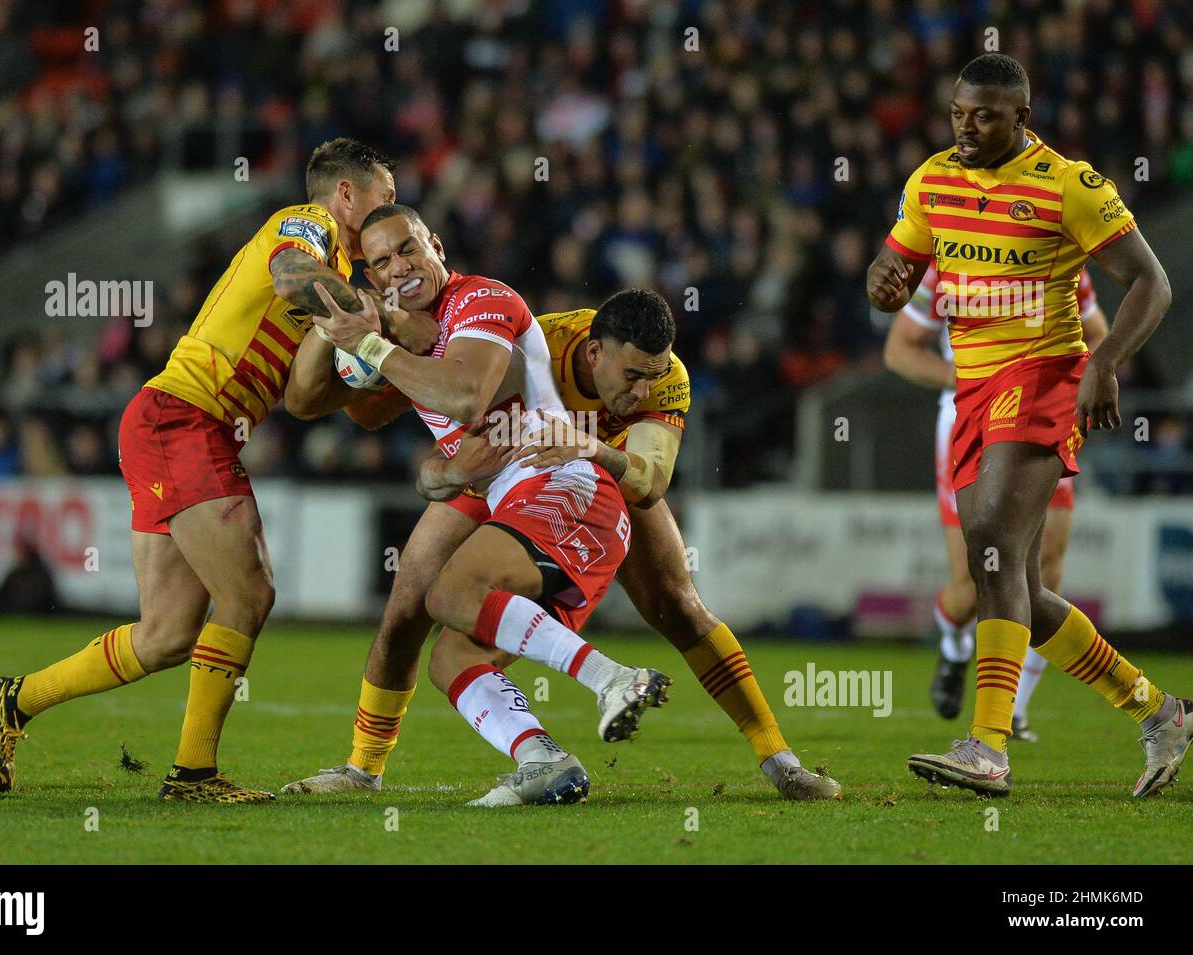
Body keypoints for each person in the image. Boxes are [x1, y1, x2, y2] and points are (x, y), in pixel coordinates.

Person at [0, 139, 437, 802]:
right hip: (184, 419)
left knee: (165, 634)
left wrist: (390, 365)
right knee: (250, 594)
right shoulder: (304, 225)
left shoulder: (341, 277)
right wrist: (387, 317)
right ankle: (192, 774)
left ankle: (13, 700)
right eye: (381, 198)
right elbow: (288, 275)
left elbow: (309, 400)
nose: (387, 214)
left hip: (174, 423)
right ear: (344, 195)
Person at [285, 290, 841, 801]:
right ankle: (364, 768)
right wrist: (427, 444)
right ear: (594, 352)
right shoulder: (534, 342)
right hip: (503, 469)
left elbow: (650, 482)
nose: (643, 390)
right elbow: (375, 411)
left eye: (653, 375)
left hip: (599, 479)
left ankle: (781, 761)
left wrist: (593, 449)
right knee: (410, 600)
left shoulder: (668, 378)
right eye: (631, 375)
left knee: (677, 604)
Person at [867, 53, 1188, 797]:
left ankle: (987, 745)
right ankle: (1159, 710)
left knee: (992, 548)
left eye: (984, 114)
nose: (967, 127)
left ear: (1022, 117)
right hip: (973, 390)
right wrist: (882, 285)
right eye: (957, 112)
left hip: (1044, 374)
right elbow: (895, 271)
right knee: (1008, 576)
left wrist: (1105, 360)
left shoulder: (1068, 185)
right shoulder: (932, 179)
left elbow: (1152, 281)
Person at [311, 204, 672, 806]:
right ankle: (545, 762)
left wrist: (371, 346)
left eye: (408, 250)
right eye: (382, 262)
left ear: (437, 246)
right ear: (372, 282)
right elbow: (318, 411)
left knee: (446, 594)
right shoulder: (408, 342)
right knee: (451, 660)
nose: (399, 267)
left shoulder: (482, 301)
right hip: (527, 503)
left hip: (567, 485)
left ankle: (614, 678)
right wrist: (447, 470)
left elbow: (462, 396)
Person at [885, 263, 1108, 741]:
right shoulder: (952, 263)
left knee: (1044, 570)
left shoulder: (1063, 259)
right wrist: (970, 379)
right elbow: (899, 350)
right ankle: (953, 642)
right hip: (971, 424)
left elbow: (1100, 332)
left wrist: (1086, 375)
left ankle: (1013, 713)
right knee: (974, 586)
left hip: (1045, 417)